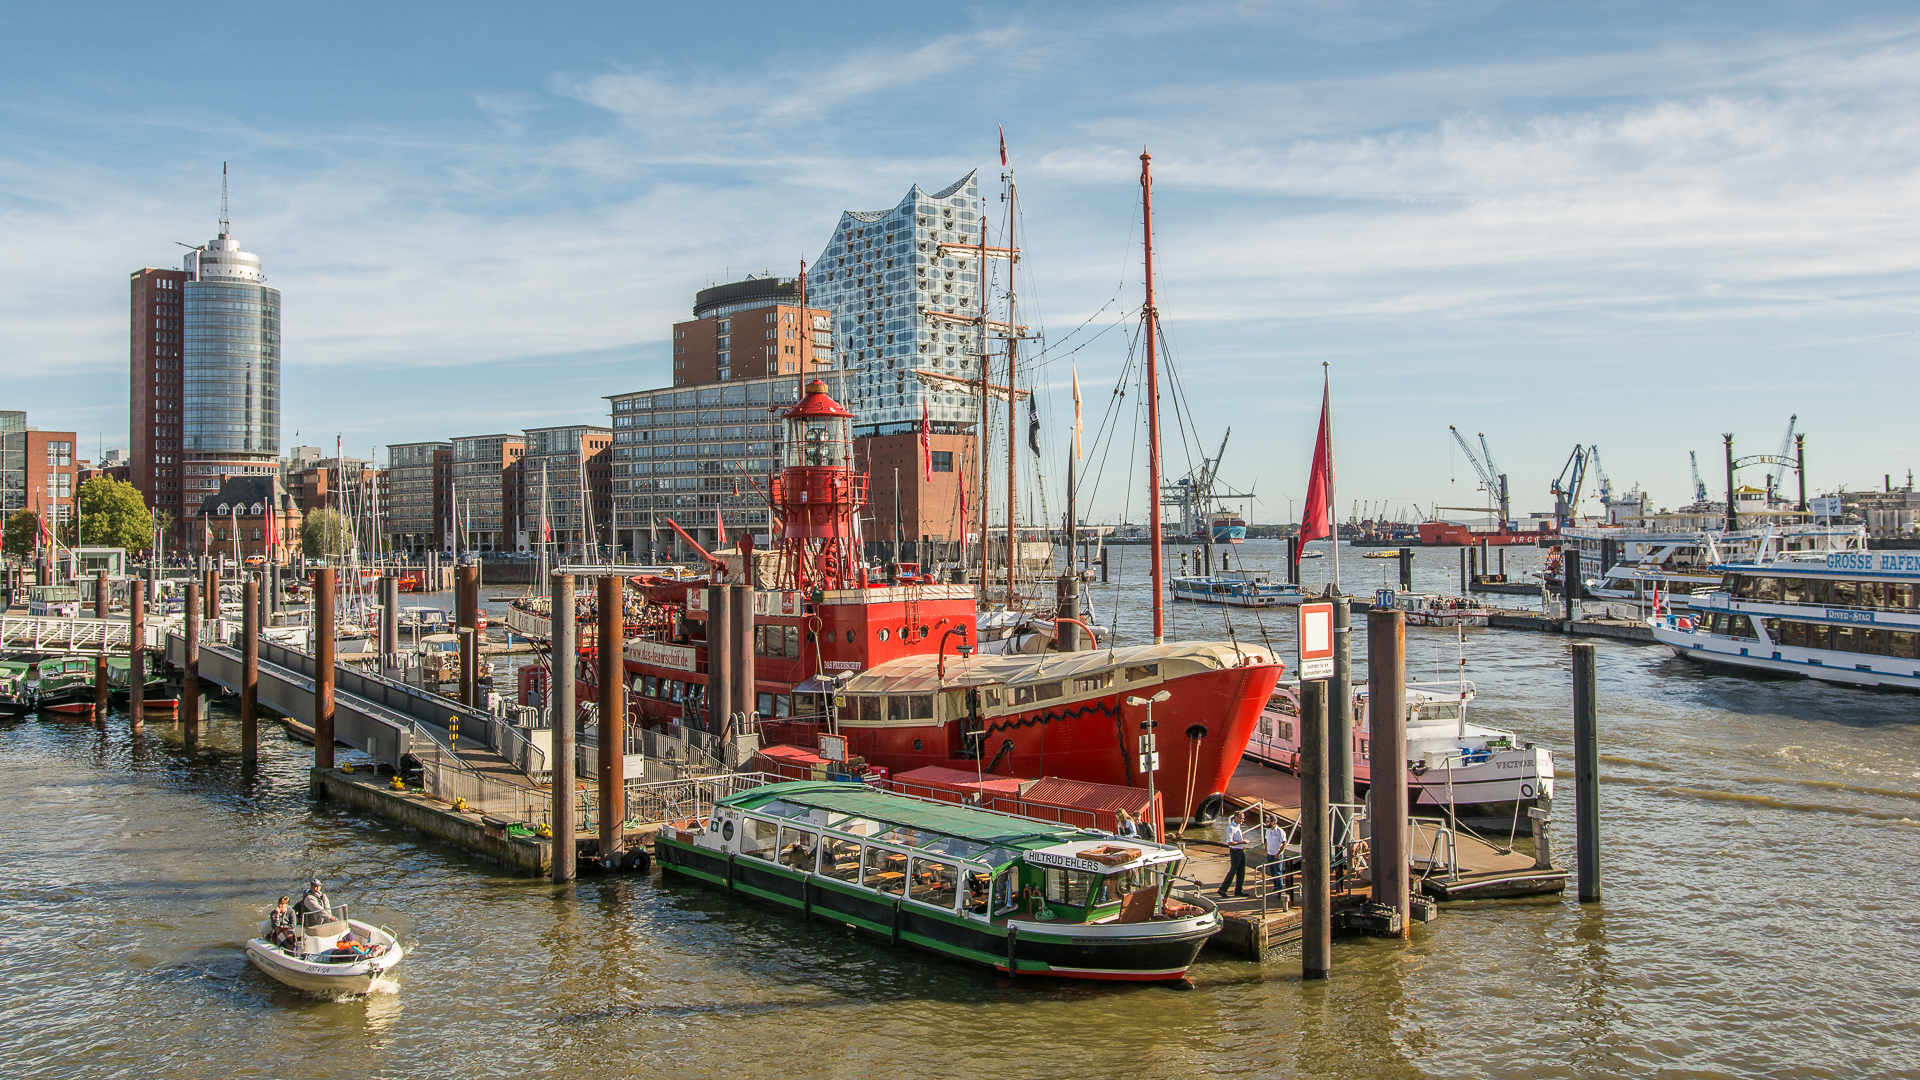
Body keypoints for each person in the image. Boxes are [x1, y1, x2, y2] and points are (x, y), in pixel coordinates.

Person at [1217, 814, 1248, 898]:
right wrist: (1242, 842)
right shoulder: (1231, 828)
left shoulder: (1238, 826)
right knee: (1233, 871)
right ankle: (1222, 889)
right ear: (1236, 817)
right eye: (1241, 818)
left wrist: (1242, 844)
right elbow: (1230, 842)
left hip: (1241, 850)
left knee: (1241, 872)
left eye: (1243, 819)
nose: (1243, 820)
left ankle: (1238, 890)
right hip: (1235, 851)